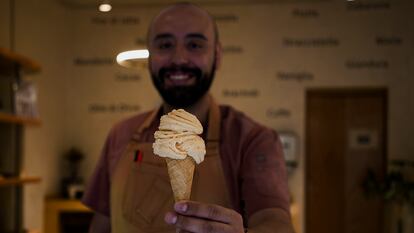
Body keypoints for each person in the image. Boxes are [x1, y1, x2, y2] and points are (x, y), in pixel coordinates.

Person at [82, 2, 294, 233]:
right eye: (165, 45)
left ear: (218, 55)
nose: (179, 59)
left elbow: (275, 222)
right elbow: (101, 225)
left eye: (194, 45)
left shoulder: (253, 139)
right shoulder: (120, 134)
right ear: (150, 57)